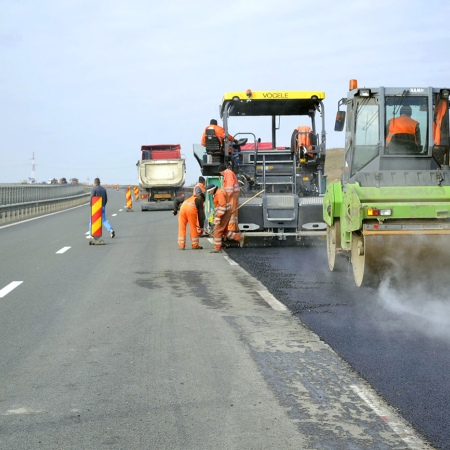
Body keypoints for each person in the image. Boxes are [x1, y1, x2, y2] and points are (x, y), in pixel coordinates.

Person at [206, 184, 244, 253]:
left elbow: (223, 206)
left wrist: (218, 217)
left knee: (217, 230)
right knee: (224, 231)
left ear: (212, 189)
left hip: (224, 214)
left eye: (209, 191)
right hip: (225, 213)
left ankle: (217, 248)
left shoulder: (219, 193)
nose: (209, 193)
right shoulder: (218, 192)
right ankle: (239, 238)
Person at [218, 164, 240, 232]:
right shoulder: (229, 173)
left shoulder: (228, 173)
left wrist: (226, 197)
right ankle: (234, 228)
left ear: (222, 171)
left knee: (231, 212)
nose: (221, 174)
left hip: (232, 195)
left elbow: (230, 187)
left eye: (220, 173)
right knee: (233, 213)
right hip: (233, 194)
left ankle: (231, 229)